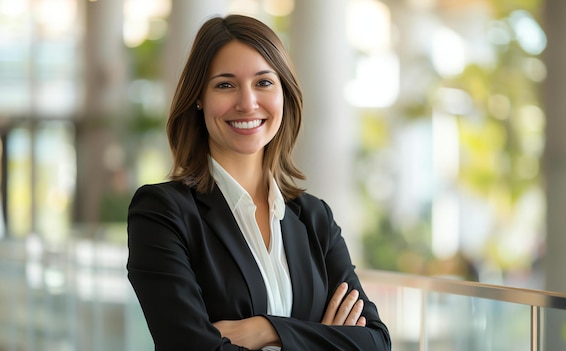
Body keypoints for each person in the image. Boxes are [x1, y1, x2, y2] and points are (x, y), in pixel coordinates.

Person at [126, 14, 391, 351]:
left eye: (264, 82)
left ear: (284, 94)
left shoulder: (314, 218)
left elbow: (375, 342)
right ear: (199, 97)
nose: (247, 102)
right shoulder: (162, 213)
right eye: (225, 84)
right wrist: (320, 339)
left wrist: (265, 330)